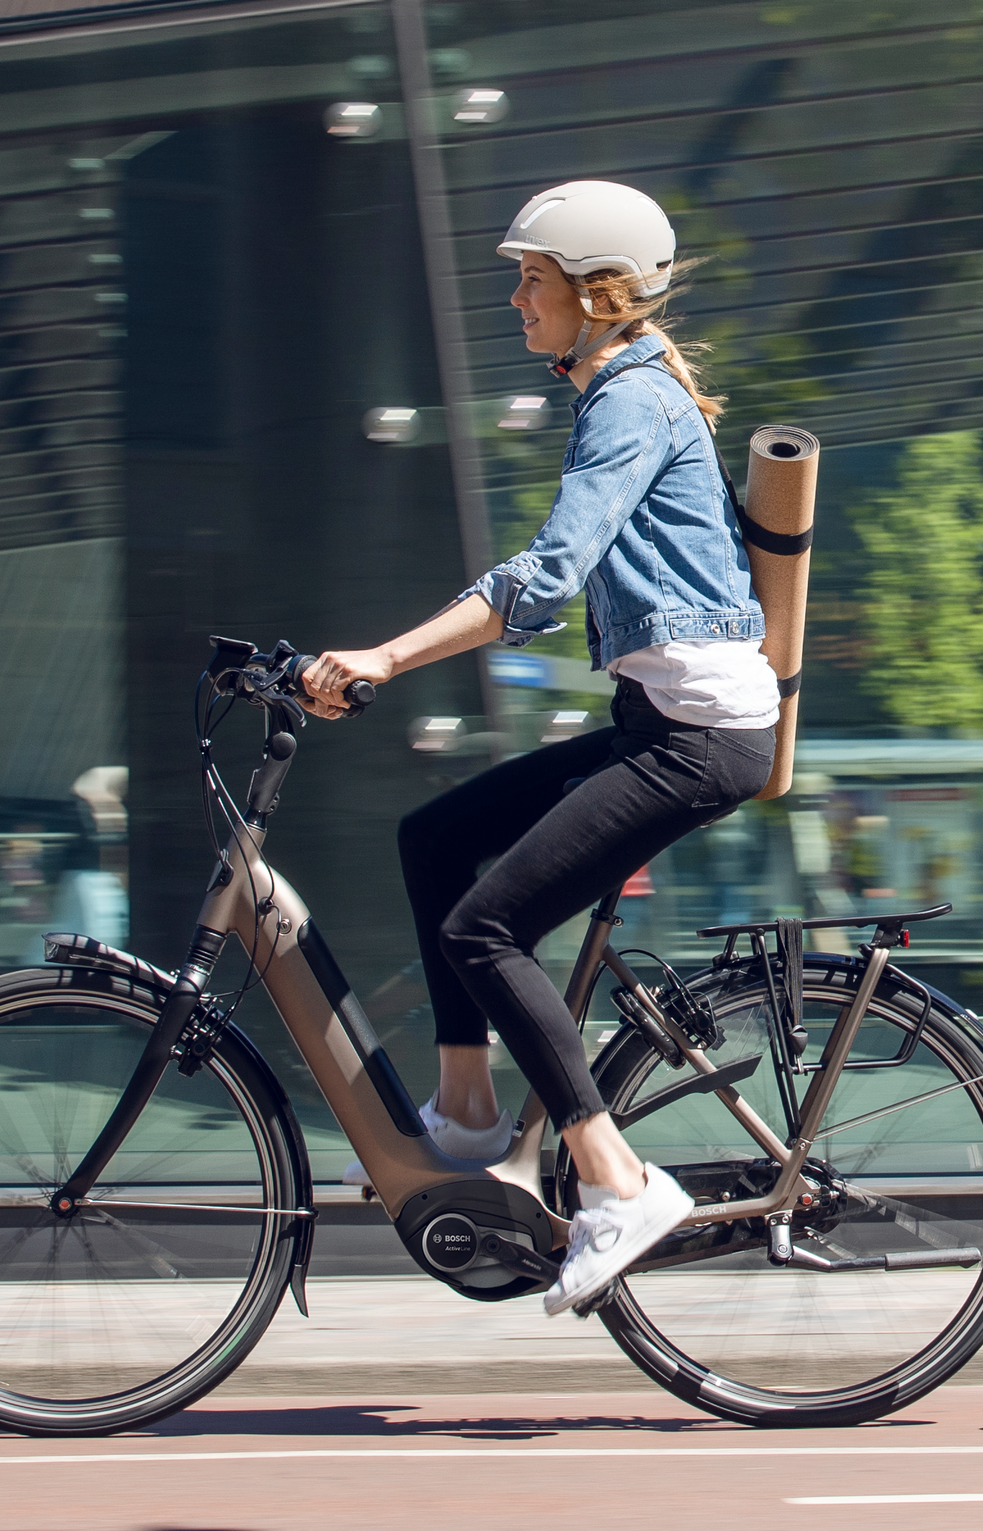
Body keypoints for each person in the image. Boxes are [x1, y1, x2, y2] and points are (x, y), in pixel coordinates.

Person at [300, 179, 778, 1318]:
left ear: (599, 291)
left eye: (533, 278)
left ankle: (618, 1182)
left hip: (699, 735)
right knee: (434, 838)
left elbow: (545, 579)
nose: (516, 299)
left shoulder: (630, 400)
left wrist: (385, 654)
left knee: (485, 924)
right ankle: (466, 1109)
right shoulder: (622, 384)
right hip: (661, 720)